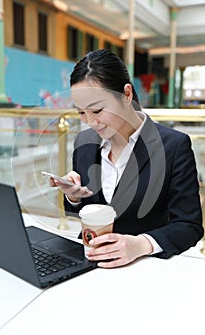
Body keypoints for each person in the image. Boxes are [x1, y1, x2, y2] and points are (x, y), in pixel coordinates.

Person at [50, 49, 203, 268]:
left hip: (143, 270)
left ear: (127, 94)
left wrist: (141, 245)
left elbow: (189, 226)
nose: (90, 122)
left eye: (97, 110)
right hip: (89, 267)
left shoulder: (174, 146)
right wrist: (74, 197)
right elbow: (84, 210)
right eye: (81, 113)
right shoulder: (84, 143)